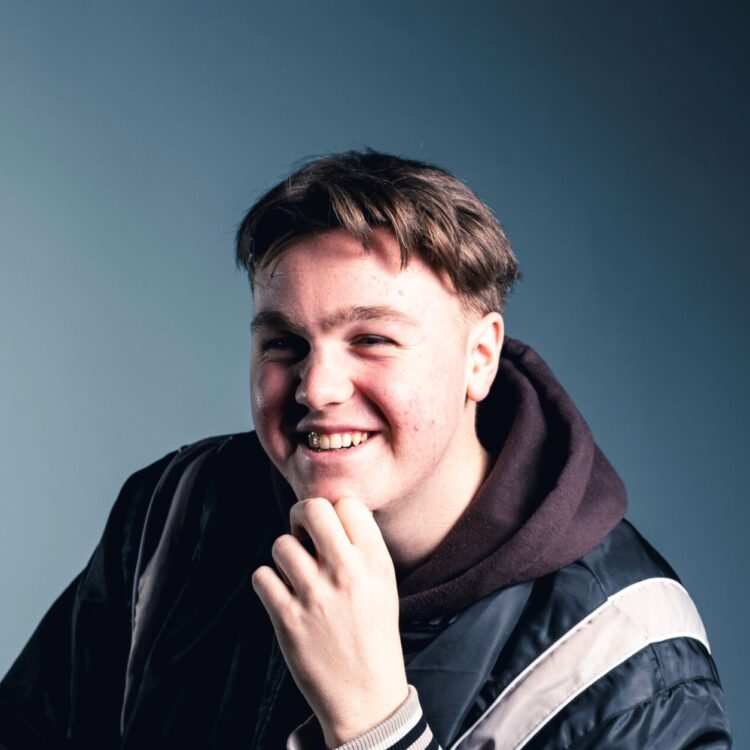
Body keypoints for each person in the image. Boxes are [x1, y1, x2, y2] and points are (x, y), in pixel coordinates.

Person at [0, 151, 731, 749]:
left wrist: (375, 726)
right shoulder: (174, 513)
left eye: (372, 339)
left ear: (480, 358)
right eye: (284, 343)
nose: (316, 388)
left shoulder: (628, 660)